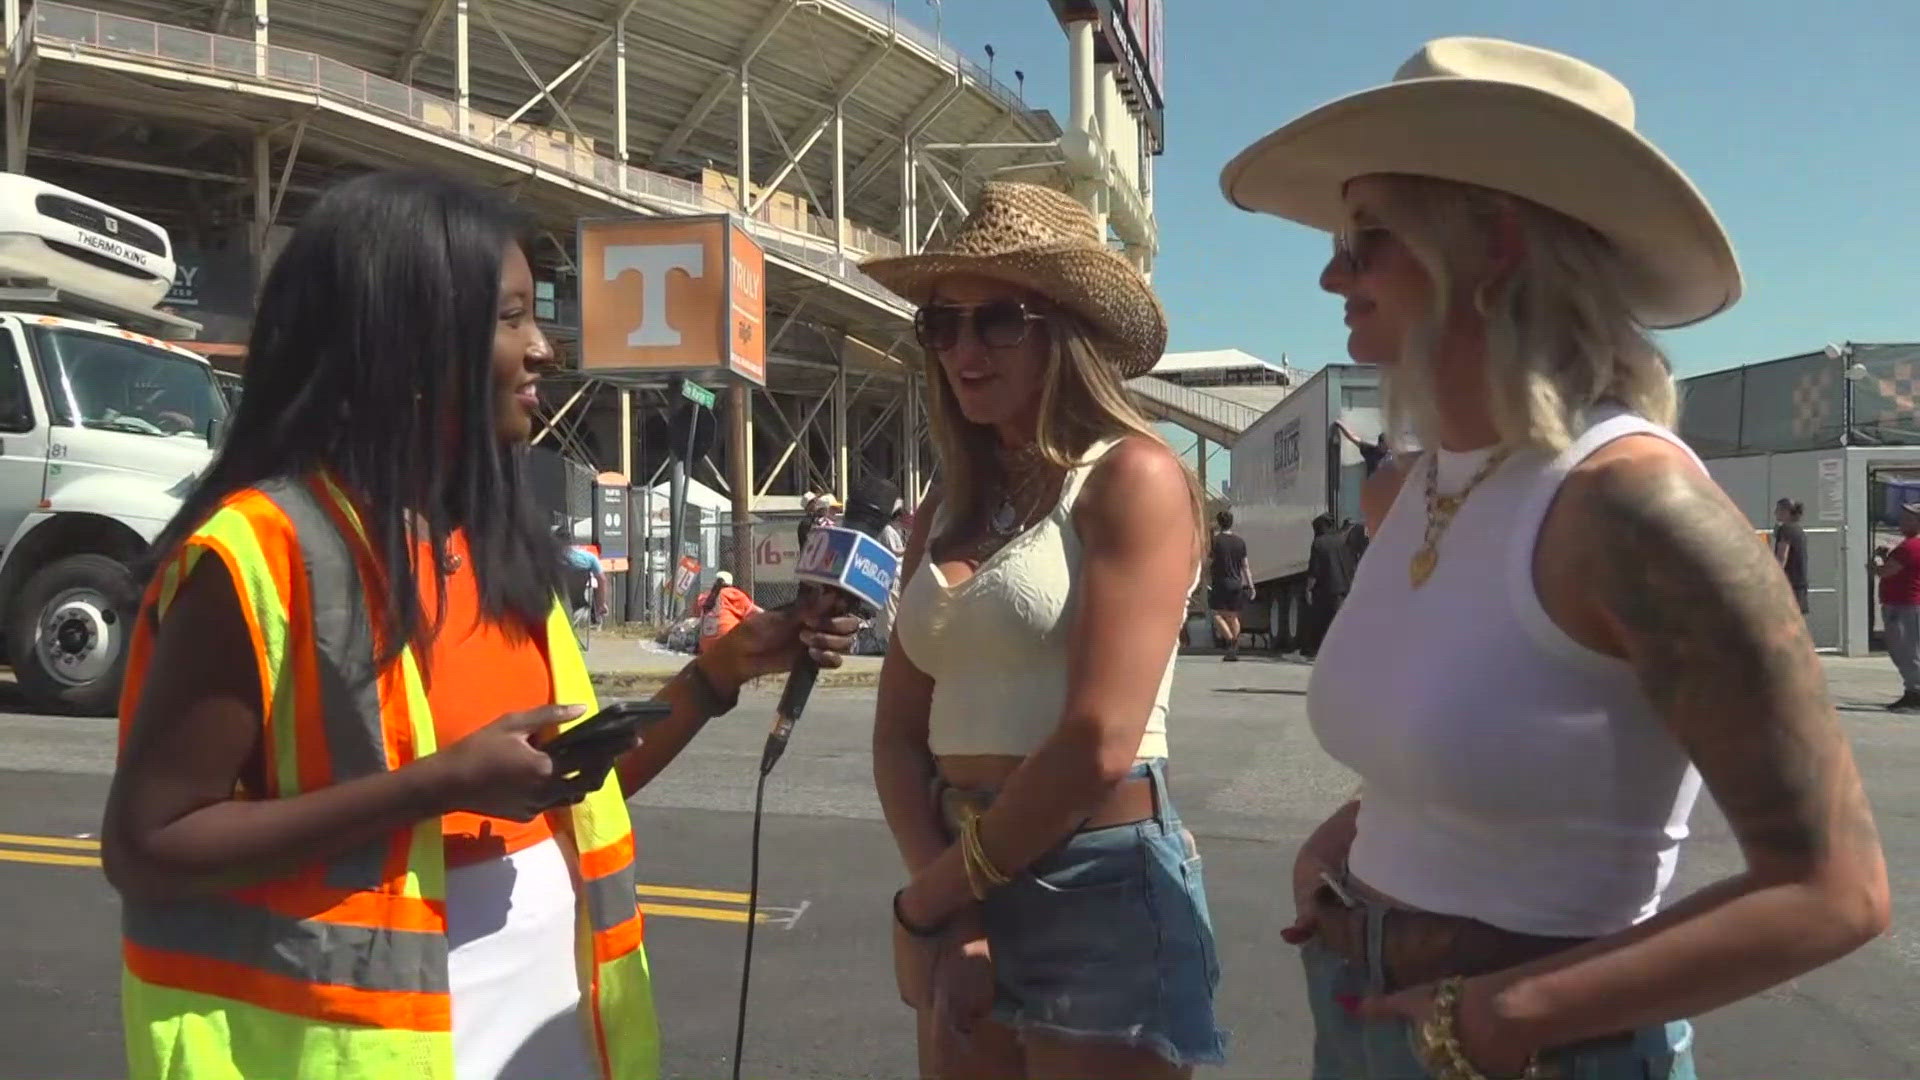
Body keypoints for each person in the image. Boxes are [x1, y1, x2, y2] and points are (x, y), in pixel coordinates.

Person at [1220, 37, 1887, 1078]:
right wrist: (1350, 836)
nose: (1330, 272)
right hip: (1366, 1009)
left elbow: (1834, 890)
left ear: (1490, 242)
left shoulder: (1635, 509)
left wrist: (1510, 1014)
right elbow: (1499, 747)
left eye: (1365, 235)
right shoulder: (1418, 487)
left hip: (1542, 1053)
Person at [99, 171, 859, 1080]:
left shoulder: (494, 546)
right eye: (510, 319)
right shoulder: (257, 557)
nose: (545, 348)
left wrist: (716, 675)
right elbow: (149, 845)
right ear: (407, 342)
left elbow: (571, 787)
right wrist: (434, 787)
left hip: (546, 1027)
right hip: (373, 1046)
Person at [862, 181, 1226, 1079]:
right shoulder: (947, 505)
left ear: (1064, 330)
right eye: (941, 325)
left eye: (998, 320)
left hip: (1095, 883)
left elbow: (1097, 740)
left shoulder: (1130, 478)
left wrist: (929, 903)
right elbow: (900, 733)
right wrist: (958, 909)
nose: (963, 348)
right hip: (962, 878)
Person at [1869, 503, 1920, 712]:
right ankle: (1913, 691)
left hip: (1904, 606)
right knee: (1905, 650)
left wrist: (1874, 563)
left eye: (1908, 518)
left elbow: (1885, 572)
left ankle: (1915, 694)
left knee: (1906, 651)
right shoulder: (1907, 546)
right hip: (1903, 605)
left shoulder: (1910, 547)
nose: (1902, 521)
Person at [1301, 514, 1355, 659]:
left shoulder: (1318, 543)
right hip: (1346, 587)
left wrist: (1308, 589)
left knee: (1324, 623)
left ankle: (1323, 652)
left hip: (1327, 590)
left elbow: (1314, 570)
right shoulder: (1342, 540)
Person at [1208, 509, 1254, 661]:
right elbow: (1245, 566)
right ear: (1231, 522)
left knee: (1216, 615)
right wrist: (1251, 585)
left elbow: (1208, 561)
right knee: (1233, 617)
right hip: (1236, 583)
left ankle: (1230, 641)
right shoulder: (1240, 542)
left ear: (1219, 523)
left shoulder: (1215, 541)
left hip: (1220, 583)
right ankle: (1234, 647)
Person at [696, 570, 760, 655]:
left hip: (706, 645)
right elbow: (755, 611)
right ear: (730, 584)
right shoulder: (732, 593)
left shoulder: (704, 597)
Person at [1773, 497, 1809, 615]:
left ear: (1786, 511)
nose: (1775, 513)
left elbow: (1782, 556)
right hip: (1800, 582)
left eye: (1778, 510)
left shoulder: (1786, 529)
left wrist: (1775, 577)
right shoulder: (1799, 529)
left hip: (1789, 583)